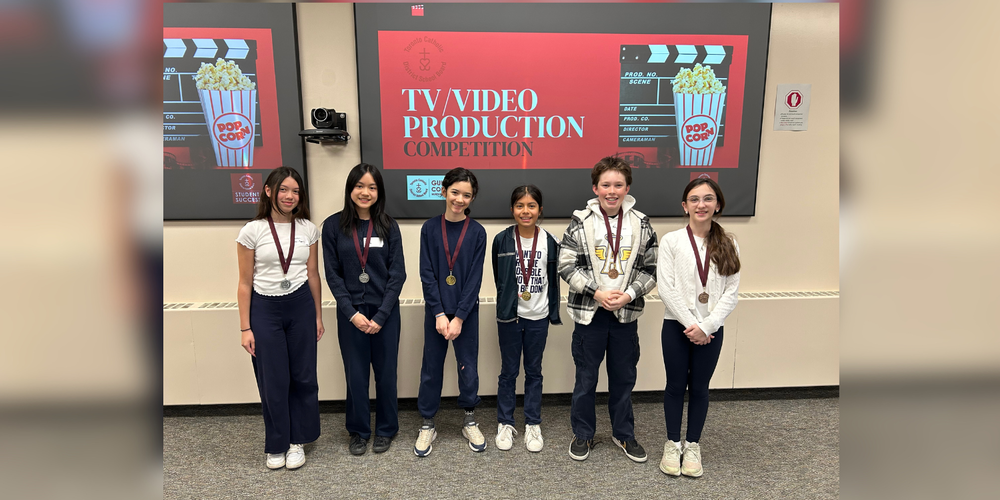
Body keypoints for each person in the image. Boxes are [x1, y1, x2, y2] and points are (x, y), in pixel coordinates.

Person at [558, 156, 658, 463]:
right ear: (595, 187)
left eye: (618, 185)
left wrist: (628, 295)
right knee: (586, 379)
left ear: (627, 188)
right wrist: (597, 292)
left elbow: (652, 269)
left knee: (623, 377)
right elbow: (565, 264)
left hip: (625, 315)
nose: (611, 191)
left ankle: (623, 434)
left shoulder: (641, 223)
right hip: (590, 314)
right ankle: (584, 433)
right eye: (605, 185)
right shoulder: (581, 222)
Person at [236, 166, 324, 470]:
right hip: (264, 309)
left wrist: (318, 316)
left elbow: (313, 275)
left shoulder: (309, 229)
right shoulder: (252, 230)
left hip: (300, 305)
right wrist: (245, 326)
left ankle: (298, 440)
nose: (290, 196)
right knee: (273, 379)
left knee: (303, 376)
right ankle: (277, 443)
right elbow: (245, 282)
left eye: (296, 191)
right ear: (269, 191)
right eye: (284, 189)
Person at [656, 177, 740, 478]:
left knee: (700, 388)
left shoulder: (729, 243)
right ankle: (673, 443)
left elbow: (732, 292)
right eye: (694, 199)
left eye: (707, 199)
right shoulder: (672, 241)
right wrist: (693, 325)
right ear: (684, 205)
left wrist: (707, 326)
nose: (700, 204)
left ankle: (692, 445)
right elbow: (666, 288)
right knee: (676, 386)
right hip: (676, 326)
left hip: (712, 330)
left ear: (717, 204)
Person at [322, 164, 405, 456]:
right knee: (355, 375)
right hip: (351, 313)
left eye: (371, 187)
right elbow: (332, 274)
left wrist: (381, 315)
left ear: (378, 192)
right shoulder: (333, 226)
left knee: (386, 375)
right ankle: (358, 431)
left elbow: (398, 274)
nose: (365, 192)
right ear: (350, 189)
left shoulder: (388, 225)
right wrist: (352, 313)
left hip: (385, 311)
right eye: (359, 186)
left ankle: (386, 429)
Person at [414, 167, 488, 457]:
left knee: (468, 367)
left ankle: (469, 418)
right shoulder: (430, 228)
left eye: (466, 195)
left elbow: (474, 280)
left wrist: (458, 316)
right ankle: (427, 423)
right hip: (436, 313)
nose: (459, 199)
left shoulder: (478, 232)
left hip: (465, 314)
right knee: (431, 369)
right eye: (455, 192)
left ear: (472, 199)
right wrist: (439, 314)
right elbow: (427, 273)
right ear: (443, 191)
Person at [491, 185, 561, 453]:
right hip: (510, 317)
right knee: (508, 372)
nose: (525, 211)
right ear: (512, 210)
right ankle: (505, 422)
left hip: (539, 317)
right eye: (520, 205)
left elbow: (553, 281)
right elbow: (499, 278)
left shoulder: (551, 241)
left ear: (540, 210)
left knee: (534, 372)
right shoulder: (502, 239)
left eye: (531, 206)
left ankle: (532, 422)